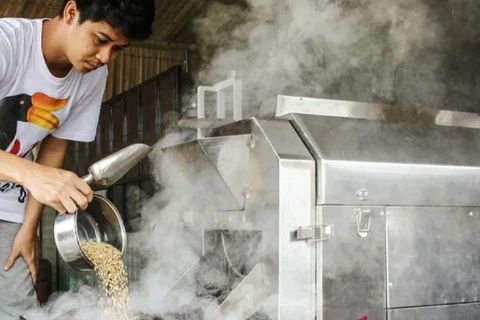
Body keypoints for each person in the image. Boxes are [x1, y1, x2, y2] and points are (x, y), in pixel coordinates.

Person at [0, 0, 154, 318]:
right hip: (19, 179)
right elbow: (37, 171)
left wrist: (29, 229)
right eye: (100, 40)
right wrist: (31, 175)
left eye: (118, 49)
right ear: (72, 12)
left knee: (18, 309)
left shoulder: (91, 77)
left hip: (8, 209)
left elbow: (54, 147)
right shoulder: (7, 44)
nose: (105, 57)